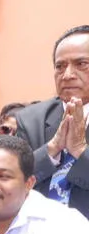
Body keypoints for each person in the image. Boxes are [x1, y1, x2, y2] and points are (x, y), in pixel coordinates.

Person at [16, 25, 89, 218]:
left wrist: (81, 151)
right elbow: (14, 179)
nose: (67, 75)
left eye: (81, 64)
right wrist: (51, 150)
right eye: (60, 66)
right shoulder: (31, 119)